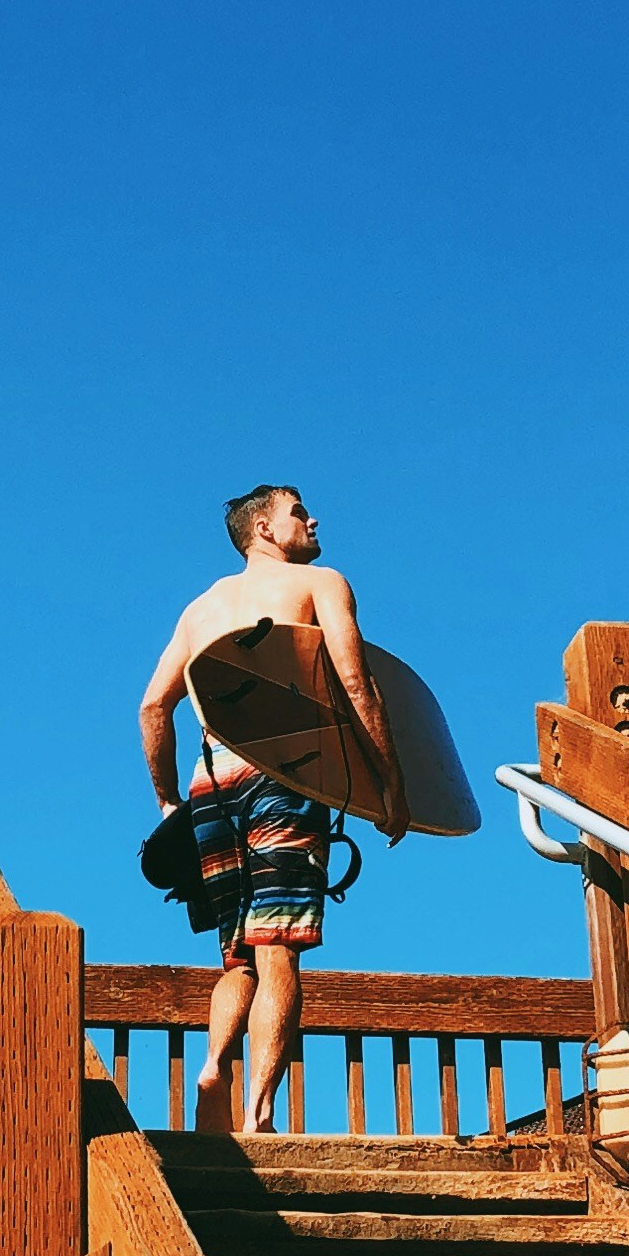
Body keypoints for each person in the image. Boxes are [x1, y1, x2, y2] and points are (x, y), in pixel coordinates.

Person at [139, 487, 405, 1137]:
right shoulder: (319, 581)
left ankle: (213, 1069)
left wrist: (170, 800)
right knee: (280, 947)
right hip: (283, 771)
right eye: (297, 512)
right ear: (264, 527)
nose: (312, 521)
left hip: (210, 779)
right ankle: (257, 1113)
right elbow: (353, 681)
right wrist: (390, 784)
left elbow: (152, 708)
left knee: (238, 958)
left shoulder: (200, 608)